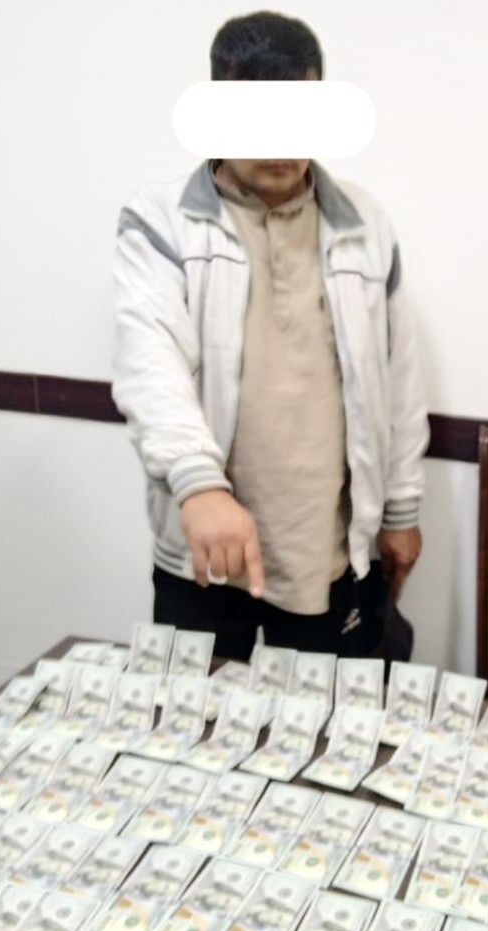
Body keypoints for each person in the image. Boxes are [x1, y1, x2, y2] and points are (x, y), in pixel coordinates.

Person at [111, 11, 428, 660]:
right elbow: (151, 363)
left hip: (330, 549)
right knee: (193, 715)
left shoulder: (365, 223)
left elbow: (398, 380)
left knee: (328, 719)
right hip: (205, 547)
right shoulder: (160, 221)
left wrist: (401, 510)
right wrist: (199, 484)